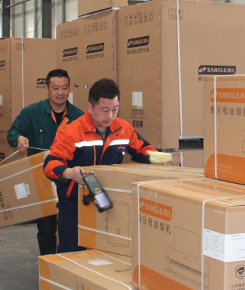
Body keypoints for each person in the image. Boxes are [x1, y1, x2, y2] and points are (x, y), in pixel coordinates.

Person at [42, 77, 161, 254]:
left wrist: (160, 158)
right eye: (105, 110)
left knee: (106, 254)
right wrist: (69, 172)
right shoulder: (71, 131)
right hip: (76, 205)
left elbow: (143, 150)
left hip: (110, 203)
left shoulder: (123, 129)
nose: (110, 116)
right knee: (72, 254)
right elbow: (51, 164)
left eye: (115, 109)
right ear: (90, 107)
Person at [7, 68, 82, 256]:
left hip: (68, 180)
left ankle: (67, 263)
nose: (60, 92)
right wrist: (19, 139)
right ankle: (48, 264)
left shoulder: (78, 117)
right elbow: (13, 132)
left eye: (64, 88)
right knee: (46, 227)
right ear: (47, 88)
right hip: (43, 180)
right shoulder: (32, 112)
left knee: (70, 225)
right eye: (56, 88)